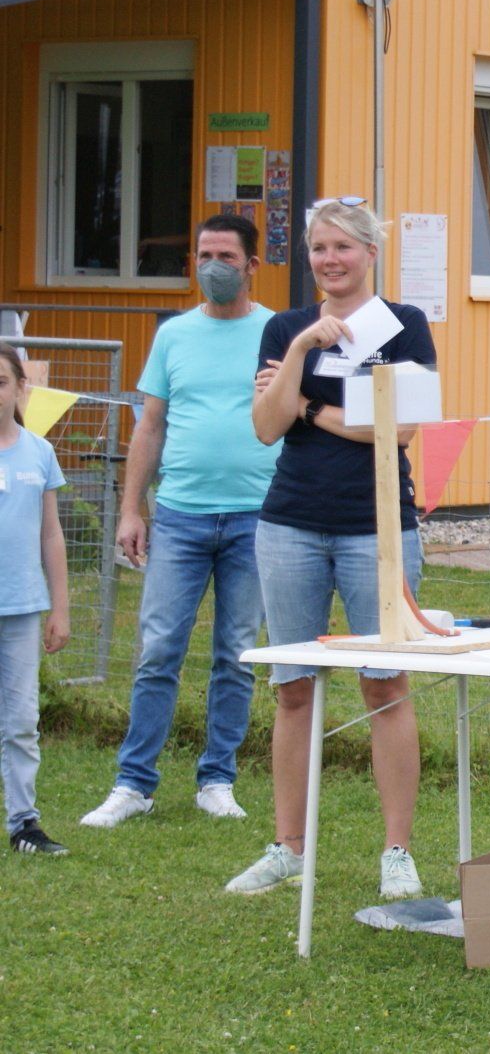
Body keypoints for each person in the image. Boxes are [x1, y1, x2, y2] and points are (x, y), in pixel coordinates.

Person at [225, 199, 436, 899]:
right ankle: (288, 847)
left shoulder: (405, 325)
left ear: (371, 252)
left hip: (377, 527)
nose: (330, 259)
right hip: (289, 524)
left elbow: (397, 429)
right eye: (319, 248)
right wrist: (299, 353)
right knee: (293, 689)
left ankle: (397, 852)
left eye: (343, 246)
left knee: (385, 685)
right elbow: (264, 426)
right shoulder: (285, 328)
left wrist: (309, 407)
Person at [82, 214, 280, 829]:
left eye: (226, 256)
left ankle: (217, 779)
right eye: (203, 256)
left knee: (236, 654)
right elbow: (150, 425)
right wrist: (130, 508)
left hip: (257, 517)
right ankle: (134, 783)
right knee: (158, 649)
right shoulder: (174, 335)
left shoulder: (279, 332)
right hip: (180, 516)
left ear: (252, 265)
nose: (212, 267)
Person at [1, 343, 71, 856]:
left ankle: (23, 821)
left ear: (20, 388)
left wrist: (59, 608)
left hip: (21, 609)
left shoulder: (39, 452)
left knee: (21, 721)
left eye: (1, 382)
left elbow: (51, 534)